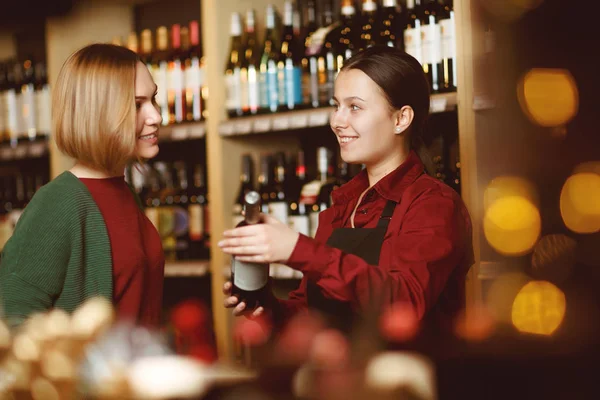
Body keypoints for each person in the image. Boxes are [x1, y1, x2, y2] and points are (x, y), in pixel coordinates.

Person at [220, 46, 473, 333]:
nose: (337, 121)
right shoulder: (342, 206)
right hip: (341, 375)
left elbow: (404, 304)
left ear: (401, 119)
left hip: (407, 376)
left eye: (354, 107)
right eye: (336, 106)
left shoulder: (433, 204)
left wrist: (297, 249)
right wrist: (266, 306)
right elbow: (313, 316)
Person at [0, 44, 164, 328]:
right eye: (137, 105)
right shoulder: (58, 203)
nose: (156, 117)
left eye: (154, 99)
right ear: (99, 112)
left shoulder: (124, 192)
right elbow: (12, 317)